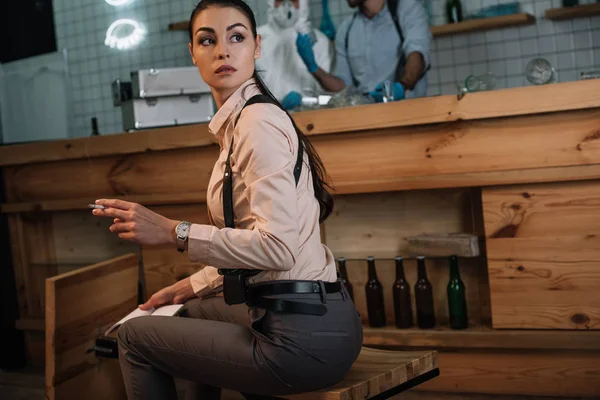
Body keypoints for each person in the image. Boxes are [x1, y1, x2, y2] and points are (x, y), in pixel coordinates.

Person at [91, 0, 363, 399]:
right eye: (207, 40)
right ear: (193, 54)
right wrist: (190, 286)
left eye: (236, 37)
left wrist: (173, 231)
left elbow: (279, 249)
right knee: (184, 312)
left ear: (256, 46)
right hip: (319, 319)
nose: (222, 50)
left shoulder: (257, 123)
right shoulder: (241, 125)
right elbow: (257, 245)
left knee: (134, 336)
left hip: (303, 338)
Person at [296, 0, 431, 101]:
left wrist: (401, 87)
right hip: (368, 119)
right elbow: (344, 87)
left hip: (409, 115)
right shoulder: (346, 30)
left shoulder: (407, 10)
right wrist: (314, 68)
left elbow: (417, 56)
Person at [256, 0, 334, 110]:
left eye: (293, 0)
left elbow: (326, 93)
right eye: (279, 0)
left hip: (311, 118)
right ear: (271, 3)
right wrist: (277, 107)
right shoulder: (256, 39)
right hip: (267, 118)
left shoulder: (319, 41)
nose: (286, 5)